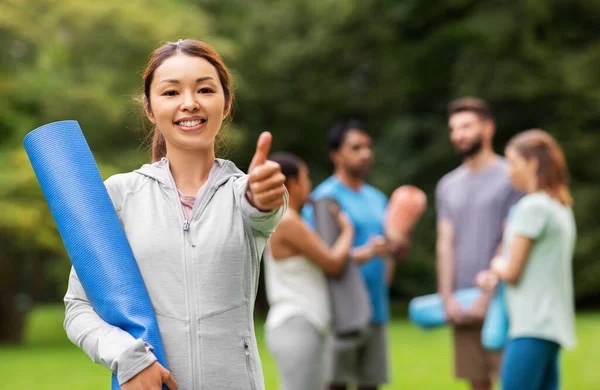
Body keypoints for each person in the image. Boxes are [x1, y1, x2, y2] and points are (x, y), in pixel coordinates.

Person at [63, 39, 287, 390]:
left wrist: (264, 197)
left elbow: (262, 210)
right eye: (171, 92)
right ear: (150, 109)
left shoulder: (245, 192)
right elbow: (78, 307)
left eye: (205, 89)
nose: (189, 103)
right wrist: (129, 358)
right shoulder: (118, 196)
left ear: (226, 103)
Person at [302, 118, 404, 390]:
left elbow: (390, 249)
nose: (366, 153)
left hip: (376, 309)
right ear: (336, 154)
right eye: (356, 147)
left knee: (370, 385)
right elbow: (320, 257)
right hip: (340, 311)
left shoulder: (378, 198)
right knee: (335, 384)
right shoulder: (324, 199)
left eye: (368, 146)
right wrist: (368, 252)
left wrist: (391, 249)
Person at [476, 129, 576, 390]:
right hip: (551, 325)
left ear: (531, 163)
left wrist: (496, 266)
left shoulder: (532, 206)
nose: (509, 171)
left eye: (512, 162)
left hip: (531, 325)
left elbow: (512, 271)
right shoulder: (559, 207)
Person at [435, 97, 522, 390]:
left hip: (505, 298)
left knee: (512, 380)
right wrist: (447, 296)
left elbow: (512, 239)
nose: (458, 134)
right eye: (453, 128)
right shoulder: (447, 185)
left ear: (488, 128)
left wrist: (488, 293)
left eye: (466, 126)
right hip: (462, 300)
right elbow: (445, 243)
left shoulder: (512, 175)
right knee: (477, 383)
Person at [263, 152, 354, 390]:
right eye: (306, 178)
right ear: (292, 183)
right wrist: (347, 231)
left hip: (304, 325)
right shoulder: (287, 220)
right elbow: (333, 263)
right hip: (297, 324)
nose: (309, 185)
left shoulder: (285, 219)